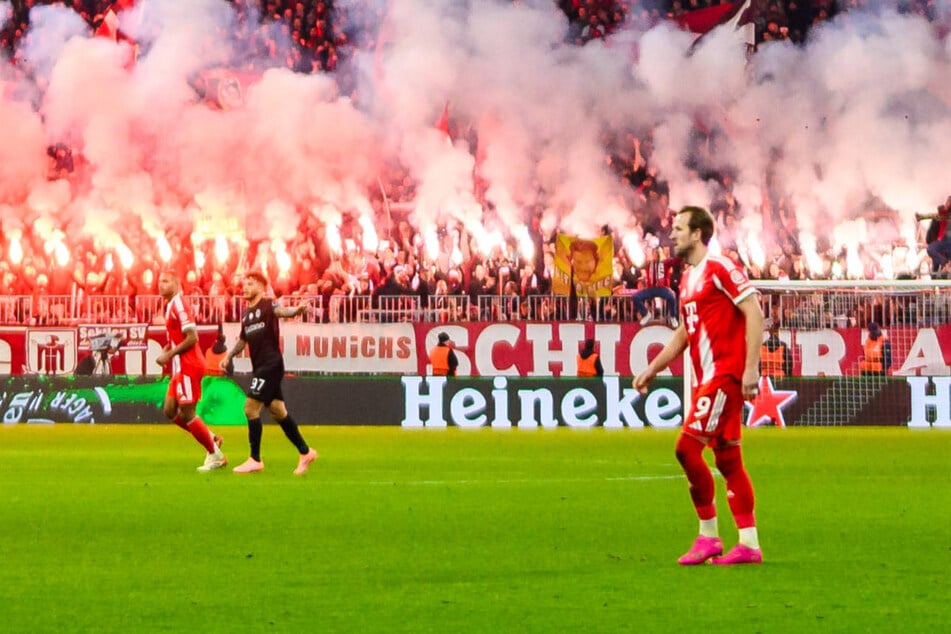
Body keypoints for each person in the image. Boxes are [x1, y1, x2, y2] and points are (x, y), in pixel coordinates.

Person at [632, 206, 765, 566]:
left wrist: (751, 367)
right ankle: (749, 544)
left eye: (678, 228)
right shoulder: (688, 279)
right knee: (728, 458)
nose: (671, 234)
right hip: (710, 377)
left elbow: (754, 311)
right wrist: (652, 369)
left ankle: (708, 536)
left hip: (725, 374)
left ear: (696, 234)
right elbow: (684, 334)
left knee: (686, 449)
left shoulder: (720, 267)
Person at [222, 271, 318, 475]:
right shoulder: (246, 314)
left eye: (250, 284)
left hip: (270, 364)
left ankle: (255, 459)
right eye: (244, 284)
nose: (245, 287)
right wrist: (229, 356)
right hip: (261, 366)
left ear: (261, 287)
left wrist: (296, 311)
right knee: (278, 411)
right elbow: (243, 340)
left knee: (250, 408)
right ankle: (305, 451)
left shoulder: (268, 304)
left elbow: (281, 312)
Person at [156, 270, 227, 472]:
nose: (161, 285)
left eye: (166, 281)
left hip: (189, 365)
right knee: (170, 410)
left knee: (188, 412)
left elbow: (192, 337)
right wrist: (168, 348)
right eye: (160, 281)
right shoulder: (169, 305)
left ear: (177, 284)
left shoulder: (179, 304)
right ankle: (211, 437)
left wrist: (169, 355)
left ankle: (216, 455)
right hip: (180, 367)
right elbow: (180, 337)